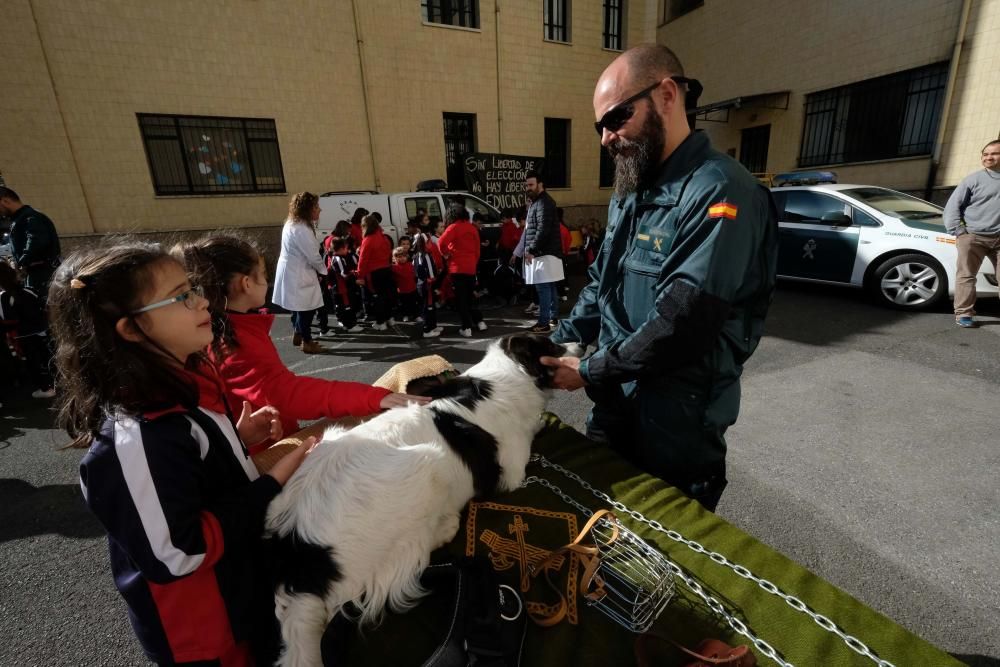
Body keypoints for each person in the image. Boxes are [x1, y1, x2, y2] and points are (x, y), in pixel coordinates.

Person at [47, 240, 313, 665]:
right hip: (205, 636)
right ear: (131, 330)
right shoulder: (136, 436)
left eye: (195, 288)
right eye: (182, 296)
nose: (203, 300)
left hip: (239, 602)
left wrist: (238, 440)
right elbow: (178, 552)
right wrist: (270, 483)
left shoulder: (180, 387)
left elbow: (186, 474)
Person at [541, 44, 778, 512]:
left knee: (667, 562)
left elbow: (683, 322)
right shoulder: (631, 190)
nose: (606, 137)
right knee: (597, 539)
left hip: (676, 425)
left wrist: (586, 370)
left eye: (616, 117)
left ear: (667, 95)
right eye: (599, 127)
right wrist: (548, 347)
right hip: (616, 407)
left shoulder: (720, 189)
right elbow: (599, 290)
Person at [172, 234, 427, 455]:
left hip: (258, 442)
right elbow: (286, 393)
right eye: (263, 274)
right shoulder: (232, 340)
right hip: (260, 456)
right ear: (246, 283)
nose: (268, 280)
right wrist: (374, 398)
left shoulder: (228, 329)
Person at [943, 139, 1000, 328]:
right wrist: (959, 231)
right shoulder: (973, 179)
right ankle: (964, 313)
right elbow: (952, 207)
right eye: (985, 154)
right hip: (973, 236)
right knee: (967, 276)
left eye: (994, 153)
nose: (988, 157)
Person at [273, 192, 328, 353]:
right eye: (316, 207)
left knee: (298, 305)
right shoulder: (301, 229)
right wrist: (324, 271)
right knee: (307, 308)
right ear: (307, 209)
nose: (320, 210)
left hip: (292, 270)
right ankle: (307, 342)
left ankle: (298, 332)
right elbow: (313, 255)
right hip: (299, 273)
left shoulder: (292, 223)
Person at [0, 262, 54, 398]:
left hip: (20, 336)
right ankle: (54, 384)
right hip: (41, 330)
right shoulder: (29, 290)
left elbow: (6, 320)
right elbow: (44, 307)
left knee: (32, 362)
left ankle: (45, 388)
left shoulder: (3, 298)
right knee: (47, 357)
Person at [0, 187, 61, 299]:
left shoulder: (30, 217)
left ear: (5, 201)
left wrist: (21, 262)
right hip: (36, 274)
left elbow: (36, 241)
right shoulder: (21, 218)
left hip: (42, 275)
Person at [437, 204, 487, 337]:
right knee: (470, 297)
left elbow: (441, 243)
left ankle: (466, 327)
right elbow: (477, 250)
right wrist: (473, 263)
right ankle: (479, 322)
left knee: (461, 300)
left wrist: (446, 254)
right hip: (470, 267)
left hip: (456, 268)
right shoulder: (472, 228)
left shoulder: (453, 227)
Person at [522, 171, 562, 333]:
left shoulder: (543, 202)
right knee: (549, 286)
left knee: (544, 288)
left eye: (531, 185)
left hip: (544, 253)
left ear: (540, 184)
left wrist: (531, 249)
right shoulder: (539, 202)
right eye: (526, 185)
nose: (528, 188)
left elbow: (542, 230)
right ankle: (551, 318)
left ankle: (544, 322)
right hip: (546, 252)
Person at [356, 213, 395, 330]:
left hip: (374, 273)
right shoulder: (384, 237)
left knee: (377, 297)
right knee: (387, 296)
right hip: (386, 269)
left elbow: (363, 260)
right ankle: (389, 318)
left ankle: (380, 322)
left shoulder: (368, 240)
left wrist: (360, 275)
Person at [328, 238, 364, 332]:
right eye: (345, 248)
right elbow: (344, 274)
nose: (347, 250)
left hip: (345, 286)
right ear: (341, 249)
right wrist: (355, 278)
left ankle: (346, 323)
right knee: (346, 305)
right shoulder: (337, 259)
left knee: (347, 304)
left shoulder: (342, 257)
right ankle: (350, 325)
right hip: (341, 287)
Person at [412, 234, 442, 338]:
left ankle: (433, 326)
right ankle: (427, 330)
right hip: (427, 285)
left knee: (430, 306)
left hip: (423, 285)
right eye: (429, 242)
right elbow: (430, 275)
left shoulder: (417, 255)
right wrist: (435, 286)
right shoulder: (425, 255)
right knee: (428, 307)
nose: (431, 243)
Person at [391, 245, 419, 322]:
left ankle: (416, 315)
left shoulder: (410, 265)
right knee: (404, 304)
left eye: (403, 256)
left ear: (407, 256)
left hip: (412, 288)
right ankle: (405, 315)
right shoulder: (393, 267)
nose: (402, 258)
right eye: (399, 257)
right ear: (394, 258)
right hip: (401, 290)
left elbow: (414, 275)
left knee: (414, 303)